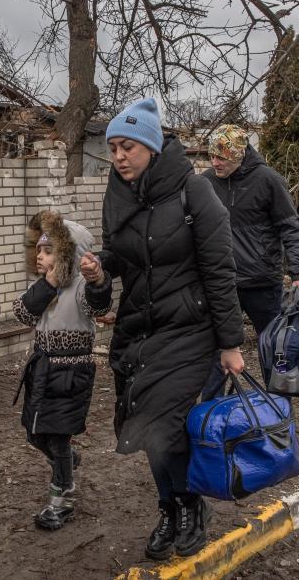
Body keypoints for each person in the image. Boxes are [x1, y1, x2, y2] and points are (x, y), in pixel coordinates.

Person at [80, 98, 244, 561]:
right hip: (139, 331)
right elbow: (119, 256)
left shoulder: (196, 193)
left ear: (151, 146)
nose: (117, 156)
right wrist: (99, 272)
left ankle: (190, 507)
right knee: (145, 426)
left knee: (167, 424)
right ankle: (169, 509)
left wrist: (231, 343)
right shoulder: (118, 193)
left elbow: (219, 271)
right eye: (112, 147)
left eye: (126, 146)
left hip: (191, 331)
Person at [12, 210, 110, 531]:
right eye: (38, 250)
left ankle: (62, 497)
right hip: (41, 370)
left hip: (71, 374)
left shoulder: (81, 287)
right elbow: (23, 313)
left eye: (49, 250)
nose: (40, 256)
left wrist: (97, 280)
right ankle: (66, 463)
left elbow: (98, 304)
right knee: (34, 432)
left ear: (68, 254)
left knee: (57, 437)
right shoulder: (44, 285)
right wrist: (50, 281)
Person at [200, 125, 299, 397]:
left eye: (222, 158)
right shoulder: (205, 183)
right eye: (212, 156)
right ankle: (209, 414)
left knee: (273, 348)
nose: (215, 162)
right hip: (221, 284)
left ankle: (278, 407)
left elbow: (291, 228)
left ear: (240, 155)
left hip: (262, 282)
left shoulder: (268, 180)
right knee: (216, 351)